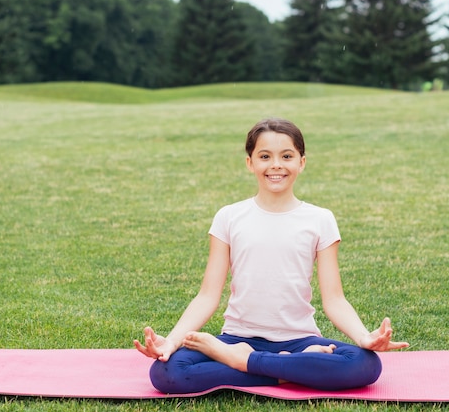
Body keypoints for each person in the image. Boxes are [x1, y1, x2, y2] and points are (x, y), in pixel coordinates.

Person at [134, 118, 408, 394]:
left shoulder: (320, 219)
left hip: (299, 341)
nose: (276, 164)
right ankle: (288, 369)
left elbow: (334, 299)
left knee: (365, 364)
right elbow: (207, 295)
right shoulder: (229, 217)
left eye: (286, 156)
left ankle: (245, 363)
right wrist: (170, 341)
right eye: (265, 156)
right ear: (250, 163)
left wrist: (364, 337)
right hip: (236, 338)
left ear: (301, 162)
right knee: (166, 373)